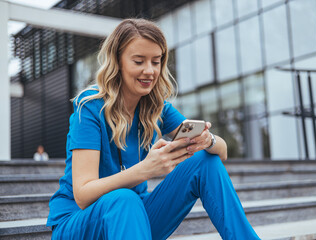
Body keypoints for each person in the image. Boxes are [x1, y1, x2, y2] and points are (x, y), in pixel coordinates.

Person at [46, 18, 260, 240]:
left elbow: (222, 152)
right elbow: (82, 194)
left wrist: (208, 141)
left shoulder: (156, 106)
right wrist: (147, 169)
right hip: (80, 223)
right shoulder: (89, 107)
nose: (149, 71)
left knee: (205, 162)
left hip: (133, 219)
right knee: (125, 199)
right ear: (117, 61)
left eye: (156, 62)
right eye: (139, 61)